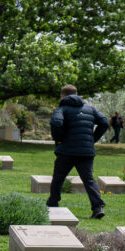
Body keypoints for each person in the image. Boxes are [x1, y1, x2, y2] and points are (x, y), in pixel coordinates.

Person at [47, 85, 109, 219]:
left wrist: (59, 139)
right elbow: (104, 122)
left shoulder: (61, 109)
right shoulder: (90, 109)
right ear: (77, 94)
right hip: (86, 152)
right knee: (88, 179)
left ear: (62, 96)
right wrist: (92, 139)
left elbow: (56, 123)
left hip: (66, 151)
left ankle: (53, 204)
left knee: (58, 178)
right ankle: (97, 207)